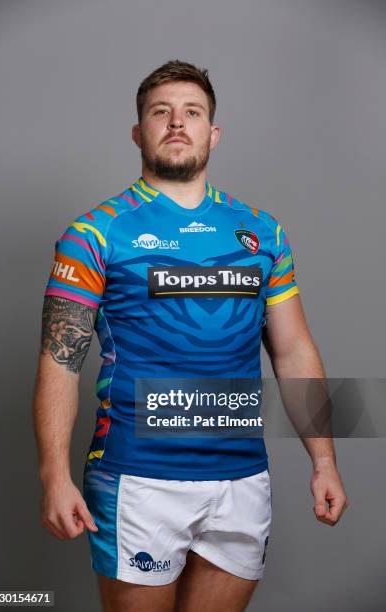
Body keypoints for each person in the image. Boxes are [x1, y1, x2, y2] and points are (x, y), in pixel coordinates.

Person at [33, 59, 349, 612]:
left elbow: (294, 350)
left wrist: (324, 461)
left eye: (192, 113)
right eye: (161, 113)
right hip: (137, 479)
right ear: (139, 132)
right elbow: (60, 360)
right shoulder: (94, 232)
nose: (177, 123)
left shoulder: (262, 232)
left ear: (213, 133)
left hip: (241, 478)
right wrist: (54, 475)